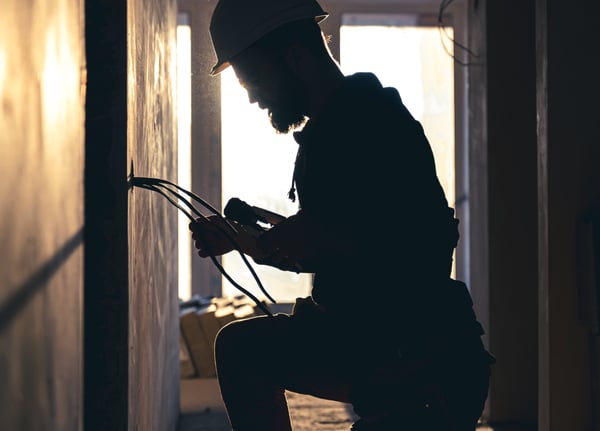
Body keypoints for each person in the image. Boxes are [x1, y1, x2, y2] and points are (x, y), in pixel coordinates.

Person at [189, 1, 494, 429]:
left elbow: (424, 241)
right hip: (371, 344)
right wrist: (246, 241)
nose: (254, 99)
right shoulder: (334, 129)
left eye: (254, 80)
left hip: (421, 361)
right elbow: (326, 246)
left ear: (295, 56)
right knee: (242, 350)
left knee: (244, 351)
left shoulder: (372, 124)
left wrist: (319, 237)